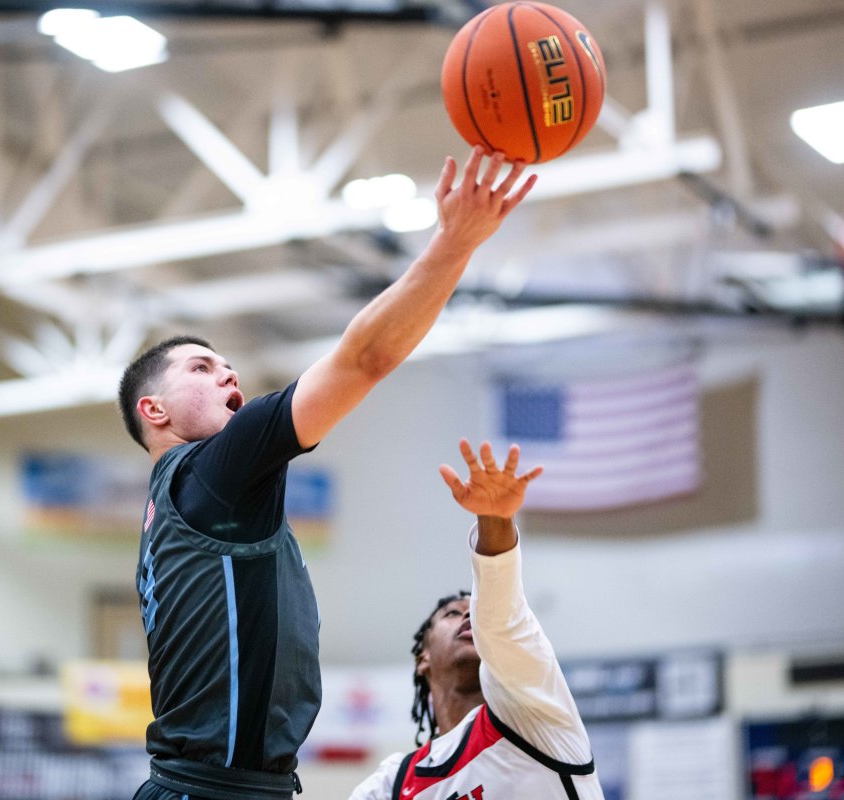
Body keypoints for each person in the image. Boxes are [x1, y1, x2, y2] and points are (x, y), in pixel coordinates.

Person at [119, 148, 536, 800]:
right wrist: (455, 244)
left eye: (227, 363)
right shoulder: (215, 472)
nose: (227, 372)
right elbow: (365, 358)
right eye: (200, 367)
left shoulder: (177, 508)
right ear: (155, 410)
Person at [350, 439, 603, 799]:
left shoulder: (533, 707)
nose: (469, 616)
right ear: (423, 658)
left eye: (475, 610)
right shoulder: (391, 784)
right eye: (453, 614)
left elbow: (500, 620)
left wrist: (495, 519)